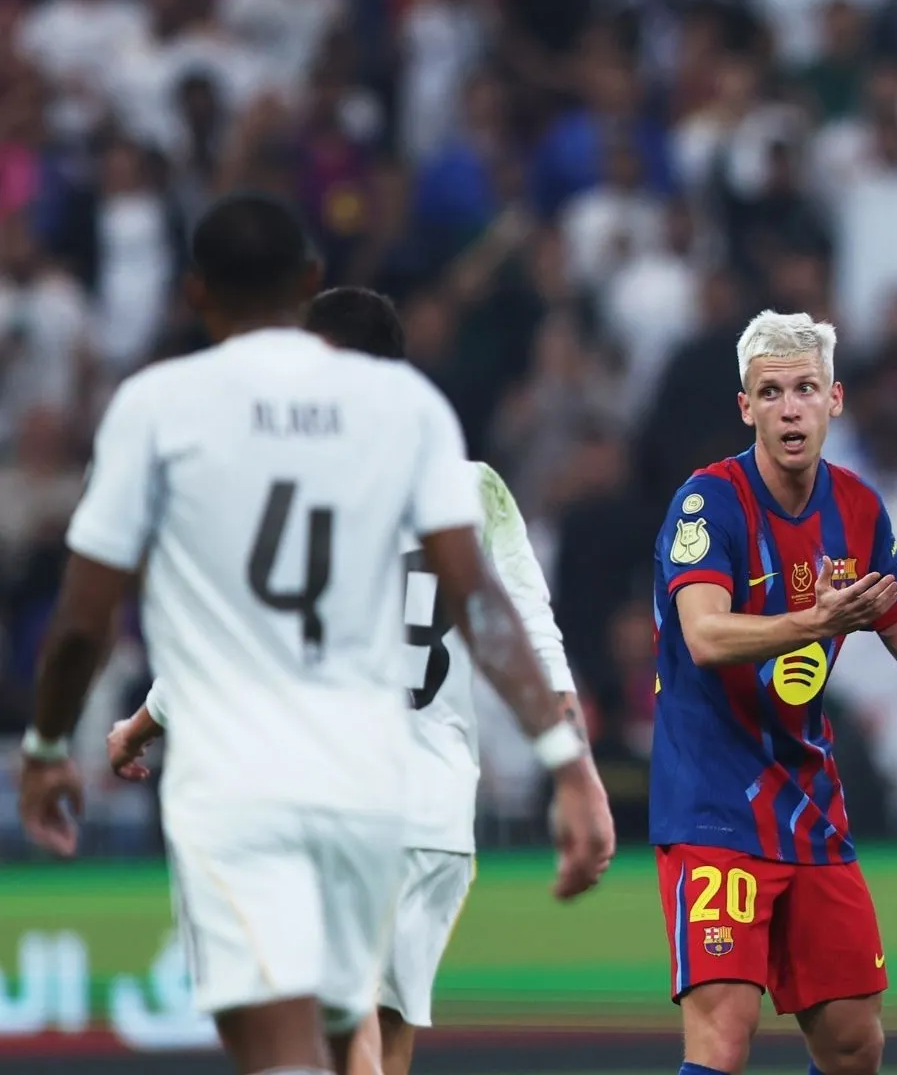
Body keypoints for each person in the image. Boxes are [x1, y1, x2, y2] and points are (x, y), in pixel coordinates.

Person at [14, 195, 614, 1075]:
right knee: (376, 1039)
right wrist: (573, 766)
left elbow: (212, 620)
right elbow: (514, 624)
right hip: (434, 806)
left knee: (318, 1035)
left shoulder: (212, 429)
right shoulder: (445, 454)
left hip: (300, 780)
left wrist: (67, 737)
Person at [650, 310, 897, 1075]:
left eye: (805, 389)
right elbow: (705, 636)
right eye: (771, 391)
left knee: (854, 1043)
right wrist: (811, 620)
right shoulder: (706, 503)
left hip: (810, 807)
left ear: (834, 399)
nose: (790, 407)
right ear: (745, 407)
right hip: (714, 803)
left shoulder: (857, 508)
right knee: (723, 1035)